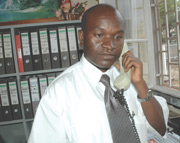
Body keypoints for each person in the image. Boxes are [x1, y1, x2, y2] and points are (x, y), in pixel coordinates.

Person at [28, 4, 169, 143]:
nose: (110, 45)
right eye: (99, 35)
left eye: (118, 37)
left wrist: (140, 84)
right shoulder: (58, 93)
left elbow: (160, 130)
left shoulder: (129, 81)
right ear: (82, 38)